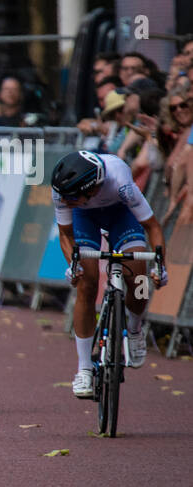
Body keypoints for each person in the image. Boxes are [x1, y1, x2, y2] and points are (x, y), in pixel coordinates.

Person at [51, 151, 167, 398]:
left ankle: (135, 329)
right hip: (85, 218)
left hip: (121, 214)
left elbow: (152, 226)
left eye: (71, 197)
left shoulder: (120, 181)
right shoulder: (63, 191)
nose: (65, 201)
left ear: (91, 189)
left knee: (138, 279)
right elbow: (65, 235)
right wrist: (74, 265)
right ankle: (84, 369)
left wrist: (160, 265)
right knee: (86, 283)